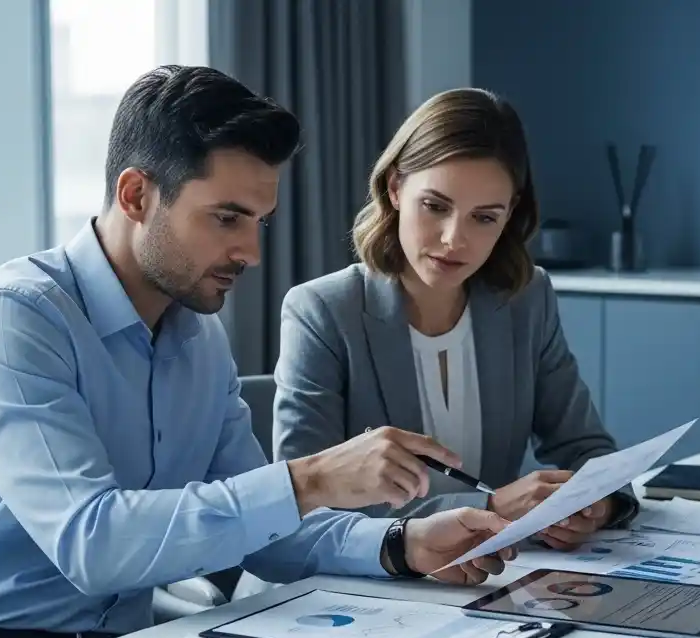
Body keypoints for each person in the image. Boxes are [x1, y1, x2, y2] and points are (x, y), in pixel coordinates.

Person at [0, 66, 515, 638]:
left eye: (259, 222)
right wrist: (312, 478)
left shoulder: (197, 337)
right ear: (135, 196)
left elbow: (267, 531)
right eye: (227, 218)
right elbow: (92, 544)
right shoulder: (15, 319)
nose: (251, 251)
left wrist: (402, 544)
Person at [272, 88, 638, 550]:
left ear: (510, 217)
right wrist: (489, 509)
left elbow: (586, 448)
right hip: (352, 583)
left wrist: (594, 504)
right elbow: (306, 504)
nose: (454, 240)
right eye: (436, 206)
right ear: (395, 188)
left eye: (484, 217)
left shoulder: (527, 300)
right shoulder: (322, 311)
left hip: (485, 574)